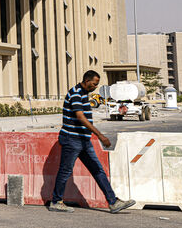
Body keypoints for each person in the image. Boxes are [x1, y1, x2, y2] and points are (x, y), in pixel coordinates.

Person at [49, 70, 135, 214]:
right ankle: (56, 201)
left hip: (83, 140)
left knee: (97, 170)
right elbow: (80, 117)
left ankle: (113, 202)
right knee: (65, 171)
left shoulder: (83, 94)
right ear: (87, 80)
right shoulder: (76, 93)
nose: (95, 87)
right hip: (72, 139)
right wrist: (100, 135)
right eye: (94, 84)